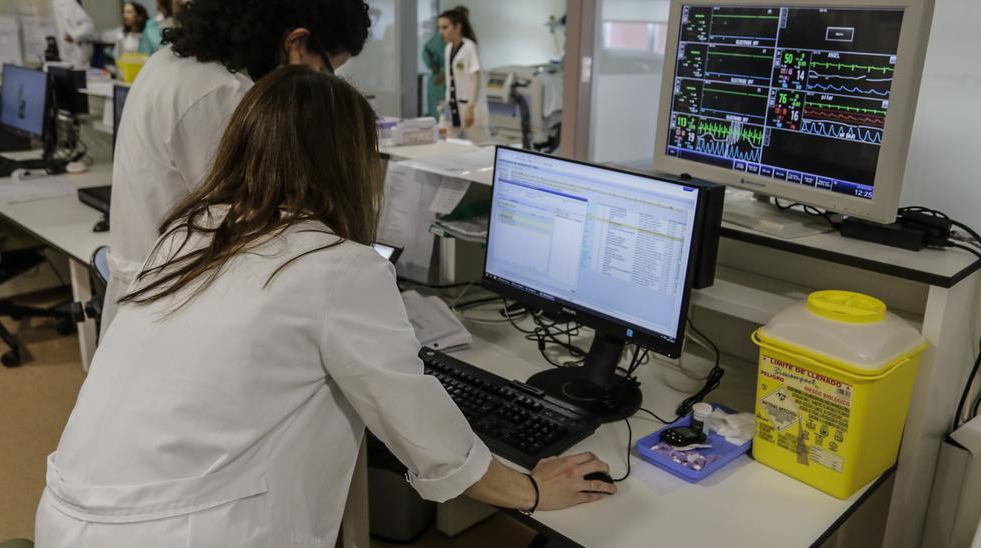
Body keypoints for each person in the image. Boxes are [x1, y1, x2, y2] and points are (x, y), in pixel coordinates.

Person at [35, 65, 615, 545]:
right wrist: (531, 489)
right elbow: (424, 432)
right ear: (350, 165)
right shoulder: (336, 268)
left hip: (67, 515)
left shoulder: (186, 232)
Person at [101, 0, 373, 335]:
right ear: (297, 43)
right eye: (330, 69)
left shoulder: (169, 63)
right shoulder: (223, 94)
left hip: (153, 290)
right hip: (176, 307)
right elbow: (262, 230)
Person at [439, 6, 490, 141]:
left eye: (445, 27)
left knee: (481, 147)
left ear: (457, 27)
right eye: (440, 28)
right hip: (452, 107)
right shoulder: (448, 48)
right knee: (442, 140)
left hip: (470, 107)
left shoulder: (469, 47)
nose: (441, 32)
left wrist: (470, 108)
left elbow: (476, 79)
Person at [52, 0, 95, 69]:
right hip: (65, 58)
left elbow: (88, 26)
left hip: (76, 59)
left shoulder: (67, 2)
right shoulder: (56, 2)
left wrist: (73, 36)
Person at [421, 25, 445, 119]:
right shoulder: (439, 39)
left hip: (451, 80)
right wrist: (435, 68)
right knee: (437, 115)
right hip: (438, 80)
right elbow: (426, 52)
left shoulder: (466, 44)